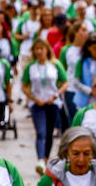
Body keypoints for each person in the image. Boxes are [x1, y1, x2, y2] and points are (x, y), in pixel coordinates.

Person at [22, 37, 69, 171]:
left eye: (41, 49)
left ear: (46, 50)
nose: (39, 52)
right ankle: (40, 160)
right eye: (36, 49)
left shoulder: (54, 65)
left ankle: (46, 159)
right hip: (37, 104)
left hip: (53, 103)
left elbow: (65, 82)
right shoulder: (31, 67)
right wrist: (33, 98)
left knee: (49, 133)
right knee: (40, 131)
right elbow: (24, 85)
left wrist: (56, 95)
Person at [72, 34, 96, 113]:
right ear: (88, 48)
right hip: (83, 100)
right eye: (94, 48)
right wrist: (89, 91)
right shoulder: (81, 62)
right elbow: (76, 82)